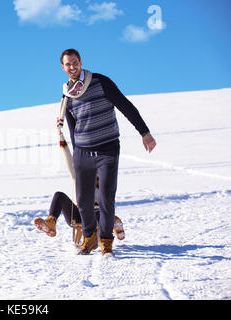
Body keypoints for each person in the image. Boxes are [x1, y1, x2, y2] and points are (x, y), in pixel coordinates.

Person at [58, 48, 156, 256]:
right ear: (63, 67)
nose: (72, 67)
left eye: (75, 62)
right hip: (83, 152)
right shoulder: (67, 94)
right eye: (68, 64)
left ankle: (106, 241)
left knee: (105, 197)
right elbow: (72, 127)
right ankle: (89, 238)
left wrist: (144, 132)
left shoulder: (101, 82)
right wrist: (77, 156)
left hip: (107, 148)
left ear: (81, 62)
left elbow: (125, 106)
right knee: (83, 200)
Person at [34, 176, 125, 249]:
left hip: (96, 212)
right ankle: (51, 223)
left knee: (99, 213)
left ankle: (113, 224)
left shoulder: (104, 176)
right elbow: (71, 162)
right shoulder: (80, 172)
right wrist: (63, 151)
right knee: (59, 195)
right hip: (78, 214)